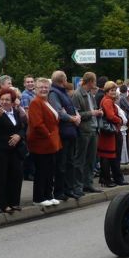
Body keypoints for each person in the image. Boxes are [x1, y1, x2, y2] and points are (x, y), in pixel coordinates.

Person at [0, 87, 27, 214]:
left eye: (7, 100)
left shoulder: (15, 112)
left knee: (16, 175)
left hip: (15, 149)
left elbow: (22, 128)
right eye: (2, 99)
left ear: (12, 101)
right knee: (1, 176)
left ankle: (14, 202)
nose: (4, 102)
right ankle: (2, 204)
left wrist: (18, 136)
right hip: (0, 149)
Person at [27, 77, 61, 207]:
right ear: (35, 89)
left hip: (50, 143)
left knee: (49, 170)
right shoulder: (35, 102)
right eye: (40, 87)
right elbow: (37, 124)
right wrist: (49, 134)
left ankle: (48, 195)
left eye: (46, 87)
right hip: (41, 143)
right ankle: (38, 197)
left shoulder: (47, 102)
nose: (43, 89)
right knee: (41, 171)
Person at [48, 70, 81, 201]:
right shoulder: (54, 93)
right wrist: (73, 119)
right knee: (61, 164)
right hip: (63, 133)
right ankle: (59, 191)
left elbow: (69, 109)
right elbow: (59, 112)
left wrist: (76, 115)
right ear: (63, 80)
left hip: (70, 132)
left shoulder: (62, 93)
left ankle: (69, 189)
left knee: (69, 163)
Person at [72, 72, 102, 196]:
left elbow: (93, 109)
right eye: (94, 82)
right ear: (90, 82)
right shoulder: (77, 94)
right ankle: (78, 186)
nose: (95, 84)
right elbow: (76, 114)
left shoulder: (90, 94)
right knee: (80, 159)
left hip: (93, 129)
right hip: (84, 131)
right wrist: (93, 113)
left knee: (91, 159)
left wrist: (98, 112)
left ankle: (88, 184)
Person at [98, 81, 128, 187]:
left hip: (108, 132)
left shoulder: (107, 100)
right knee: (109, 156)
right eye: (111, 90)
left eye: (115, 90)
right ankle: (111, 179)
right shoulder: (107, 101)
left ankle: (106, 179)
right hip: (110, 132)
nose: (114, 92)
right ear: (106, 91)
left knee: (108, 156)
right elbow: (110, 116)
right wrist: (119, 120)